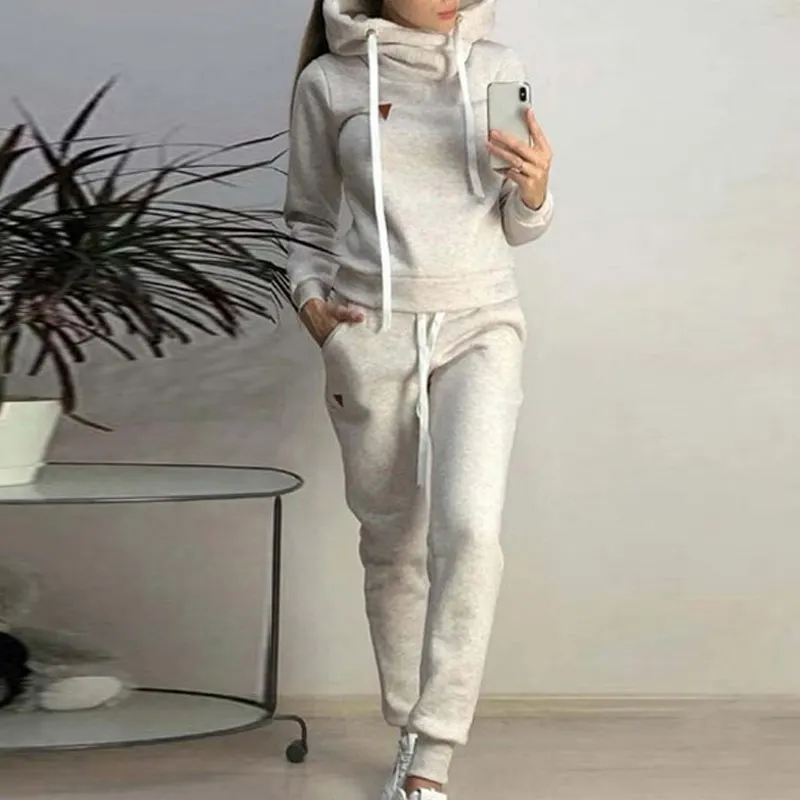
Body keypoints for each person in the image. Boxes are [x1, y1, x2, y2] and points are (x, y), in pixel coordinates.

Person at [284, 1, 554, 798]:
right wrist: (311, 303)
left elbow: (519, 224)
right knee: (392, 540)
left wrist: (536, 193)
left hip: (481, 322)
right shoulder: (329, 82)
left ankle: (433, 754)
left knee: (470, 530)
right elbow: (305, 218)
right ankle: (408, 727)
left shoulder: (497, 67)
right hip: (370, 329)